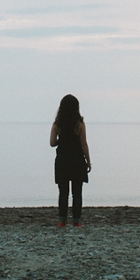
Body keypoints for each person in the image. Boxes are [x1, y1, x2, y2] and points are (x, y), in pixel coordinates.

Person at [50, 94, 92, 227]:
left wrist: (61, 140)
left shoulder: (57, 124)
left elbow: (52, 143)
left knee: (63, 192)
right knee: (77, 192)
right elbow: (83, 144)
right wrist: (88, 161)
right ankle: (76, 221)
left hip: (62, 160)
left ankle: (62, 220)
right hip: (77, 160)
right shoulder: (80, 124)